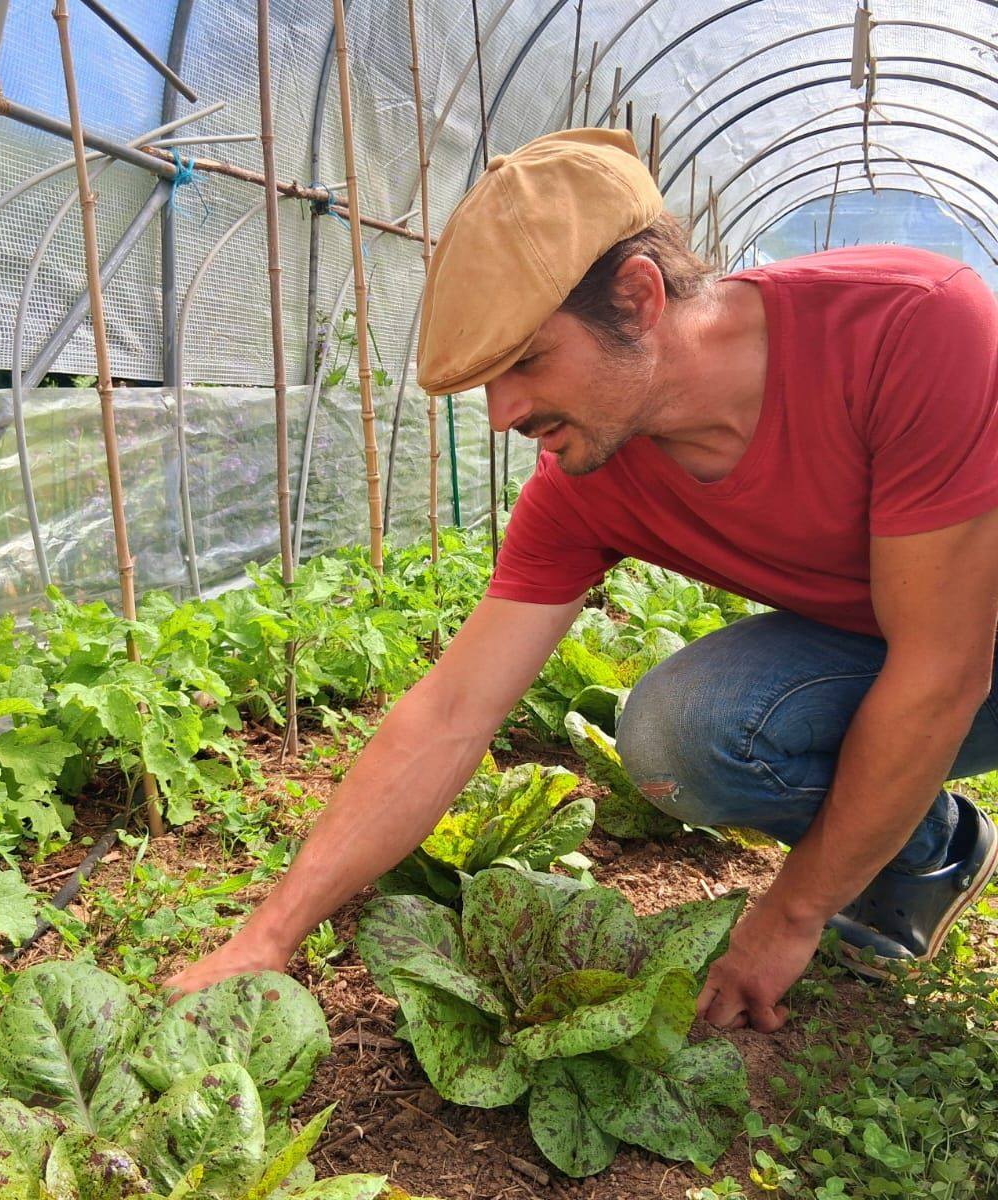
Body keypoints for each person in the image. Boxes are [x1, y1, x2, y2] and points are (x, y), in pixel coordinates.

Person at [166, 128, 998, 1032]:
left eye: (525, 361)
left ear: (638, 296)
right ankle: (926, 848)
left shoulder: (908, 323)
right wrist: (268, 937)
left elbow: (943, 668)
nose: (504, 415)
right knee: (682, 734)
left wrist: (788, 915)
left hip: (963, 646)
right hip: (912, 640)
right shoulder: (586, 486)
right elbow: (452, 713)